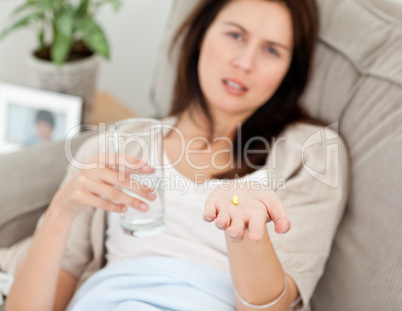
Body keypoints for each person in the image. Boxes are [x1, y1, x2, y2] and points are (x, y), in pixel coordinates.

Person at [5, 0, 349, 310]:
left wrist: (242, 230)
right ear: (200, 36)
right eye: (235, 35)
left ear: (290, 70)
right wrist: (60, 213)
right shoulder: (118, 145)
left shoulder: (312, 153)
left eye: (272, 50)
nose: (245, 62)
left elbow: (273, 307)